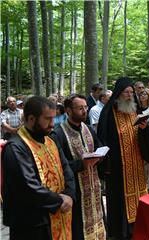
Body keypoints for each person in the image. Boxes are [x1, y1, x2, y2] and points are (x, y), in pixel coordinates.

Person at [2, 96, 75, 240]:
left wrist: (70, 193)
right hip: (32, 223)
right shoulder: (16, 147)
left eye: (53, 118)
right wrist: (60, 200)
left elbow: (66, 169)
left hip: (58, 216)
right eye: (47, 119)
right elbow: (27, 186)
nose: (52, 124)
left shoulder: (50, 140)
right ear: (31, 119)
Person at [97, 77, 149, 239]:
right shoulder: (108, 112)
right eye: (126, 92)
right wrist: (107, 164)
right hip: (118, 166)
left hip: (136, 162)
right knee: (119, 199)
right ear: (119, 93)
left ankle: (139, 224)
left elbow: (145, 135)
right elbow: (102, 139)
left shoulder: (135, 109)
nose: (129, 95)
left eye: (131, 92)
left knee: (139, 194)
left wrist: (144, 128)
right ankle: (122, 231)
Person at [51, 94, 106, 240]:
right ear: (68, 110)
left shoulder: (88, 128)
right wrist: (81, 164)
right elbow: (58, 166)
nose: (84, 111)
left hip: (93, 187)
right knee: (78, 230)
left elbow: (99, 146)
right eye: (80, 108)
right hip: (76, 191)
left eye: (85, 107)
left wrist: (99, 156)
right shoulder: (58, 134)